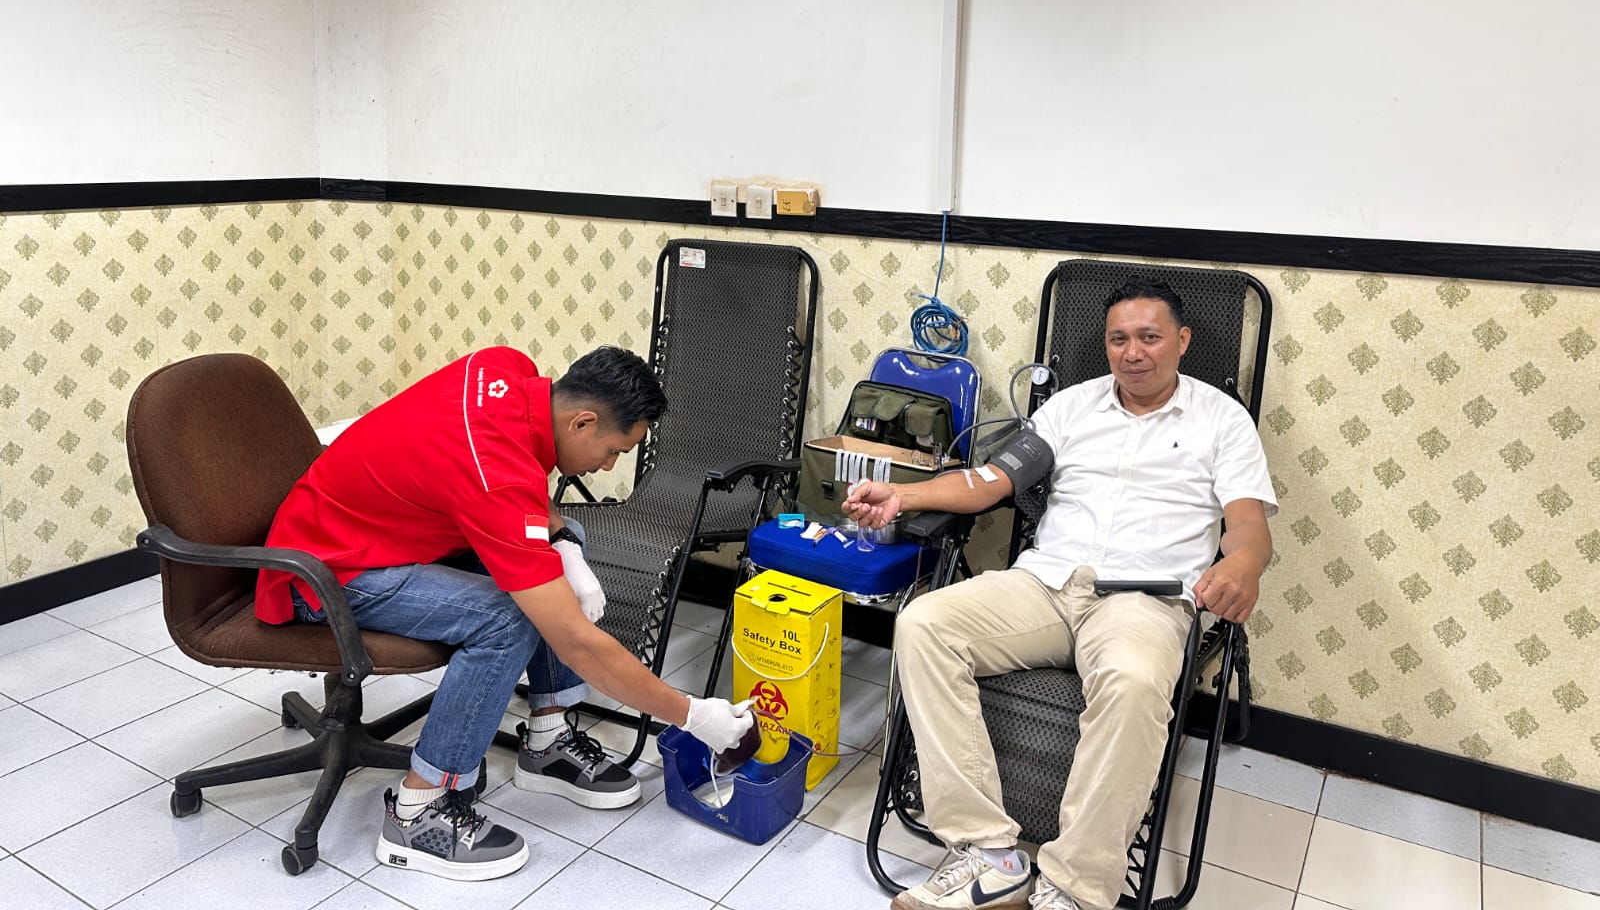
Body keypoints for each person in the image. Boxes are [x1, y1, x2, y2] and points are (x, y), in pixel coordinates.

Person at [844, 282, 1276, 910]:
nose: (1132, 353)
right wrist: (904, 496)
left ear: (1182, 341)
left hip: (1144, 599)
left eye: (1149, 337)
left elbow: (1248, 525)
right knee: (925, 623)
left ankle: (1075, 888)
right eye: (1119, 339)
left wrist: (1245, 564)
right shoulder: (1071, 406)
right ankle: (990, 856)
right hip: (1045, 586)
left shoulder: (1222, 419)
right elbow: (989, 480)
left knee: (1134, 680)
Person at [255, 344, 755, 882]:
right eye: (614, 450)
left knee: (567, 536)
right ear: (583, 421)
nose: (609, 465)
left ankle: (547, 741)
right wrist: (692, 715)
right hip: (326, 572)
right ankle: (416, 812)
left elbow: (518, 489)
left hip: (386, 530)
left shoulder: (505, 368)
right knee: (508, 617)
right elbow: (576, 643)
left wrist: (564, 545)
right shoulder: (498, 476)